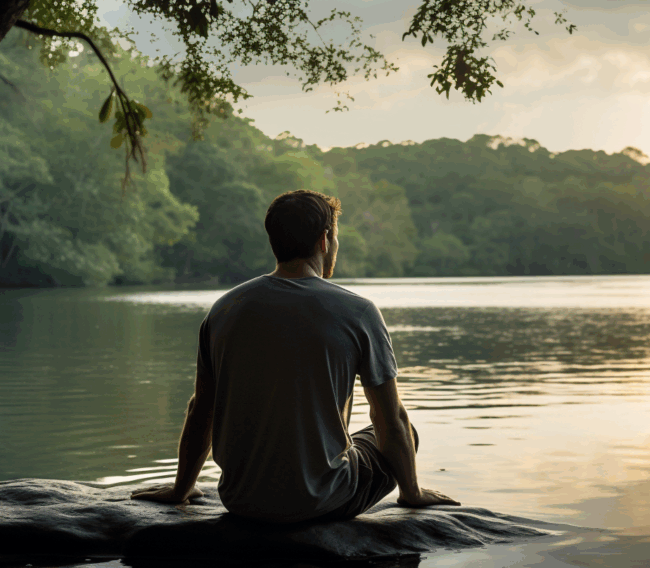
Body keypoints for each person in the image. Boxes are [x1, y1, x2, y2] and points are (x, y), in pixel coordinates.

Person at [131, 189, 459, 522]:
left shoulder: (224, 309)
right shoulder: (358, 312)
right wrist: (413, 493)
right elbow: (389, 419)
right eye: (335, 238)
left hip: (241, 500)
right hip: (324, 501)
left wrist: (180, 489)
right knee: (404, 430)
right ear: (324, 240)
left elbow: (201, 409)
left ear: (274, 241)